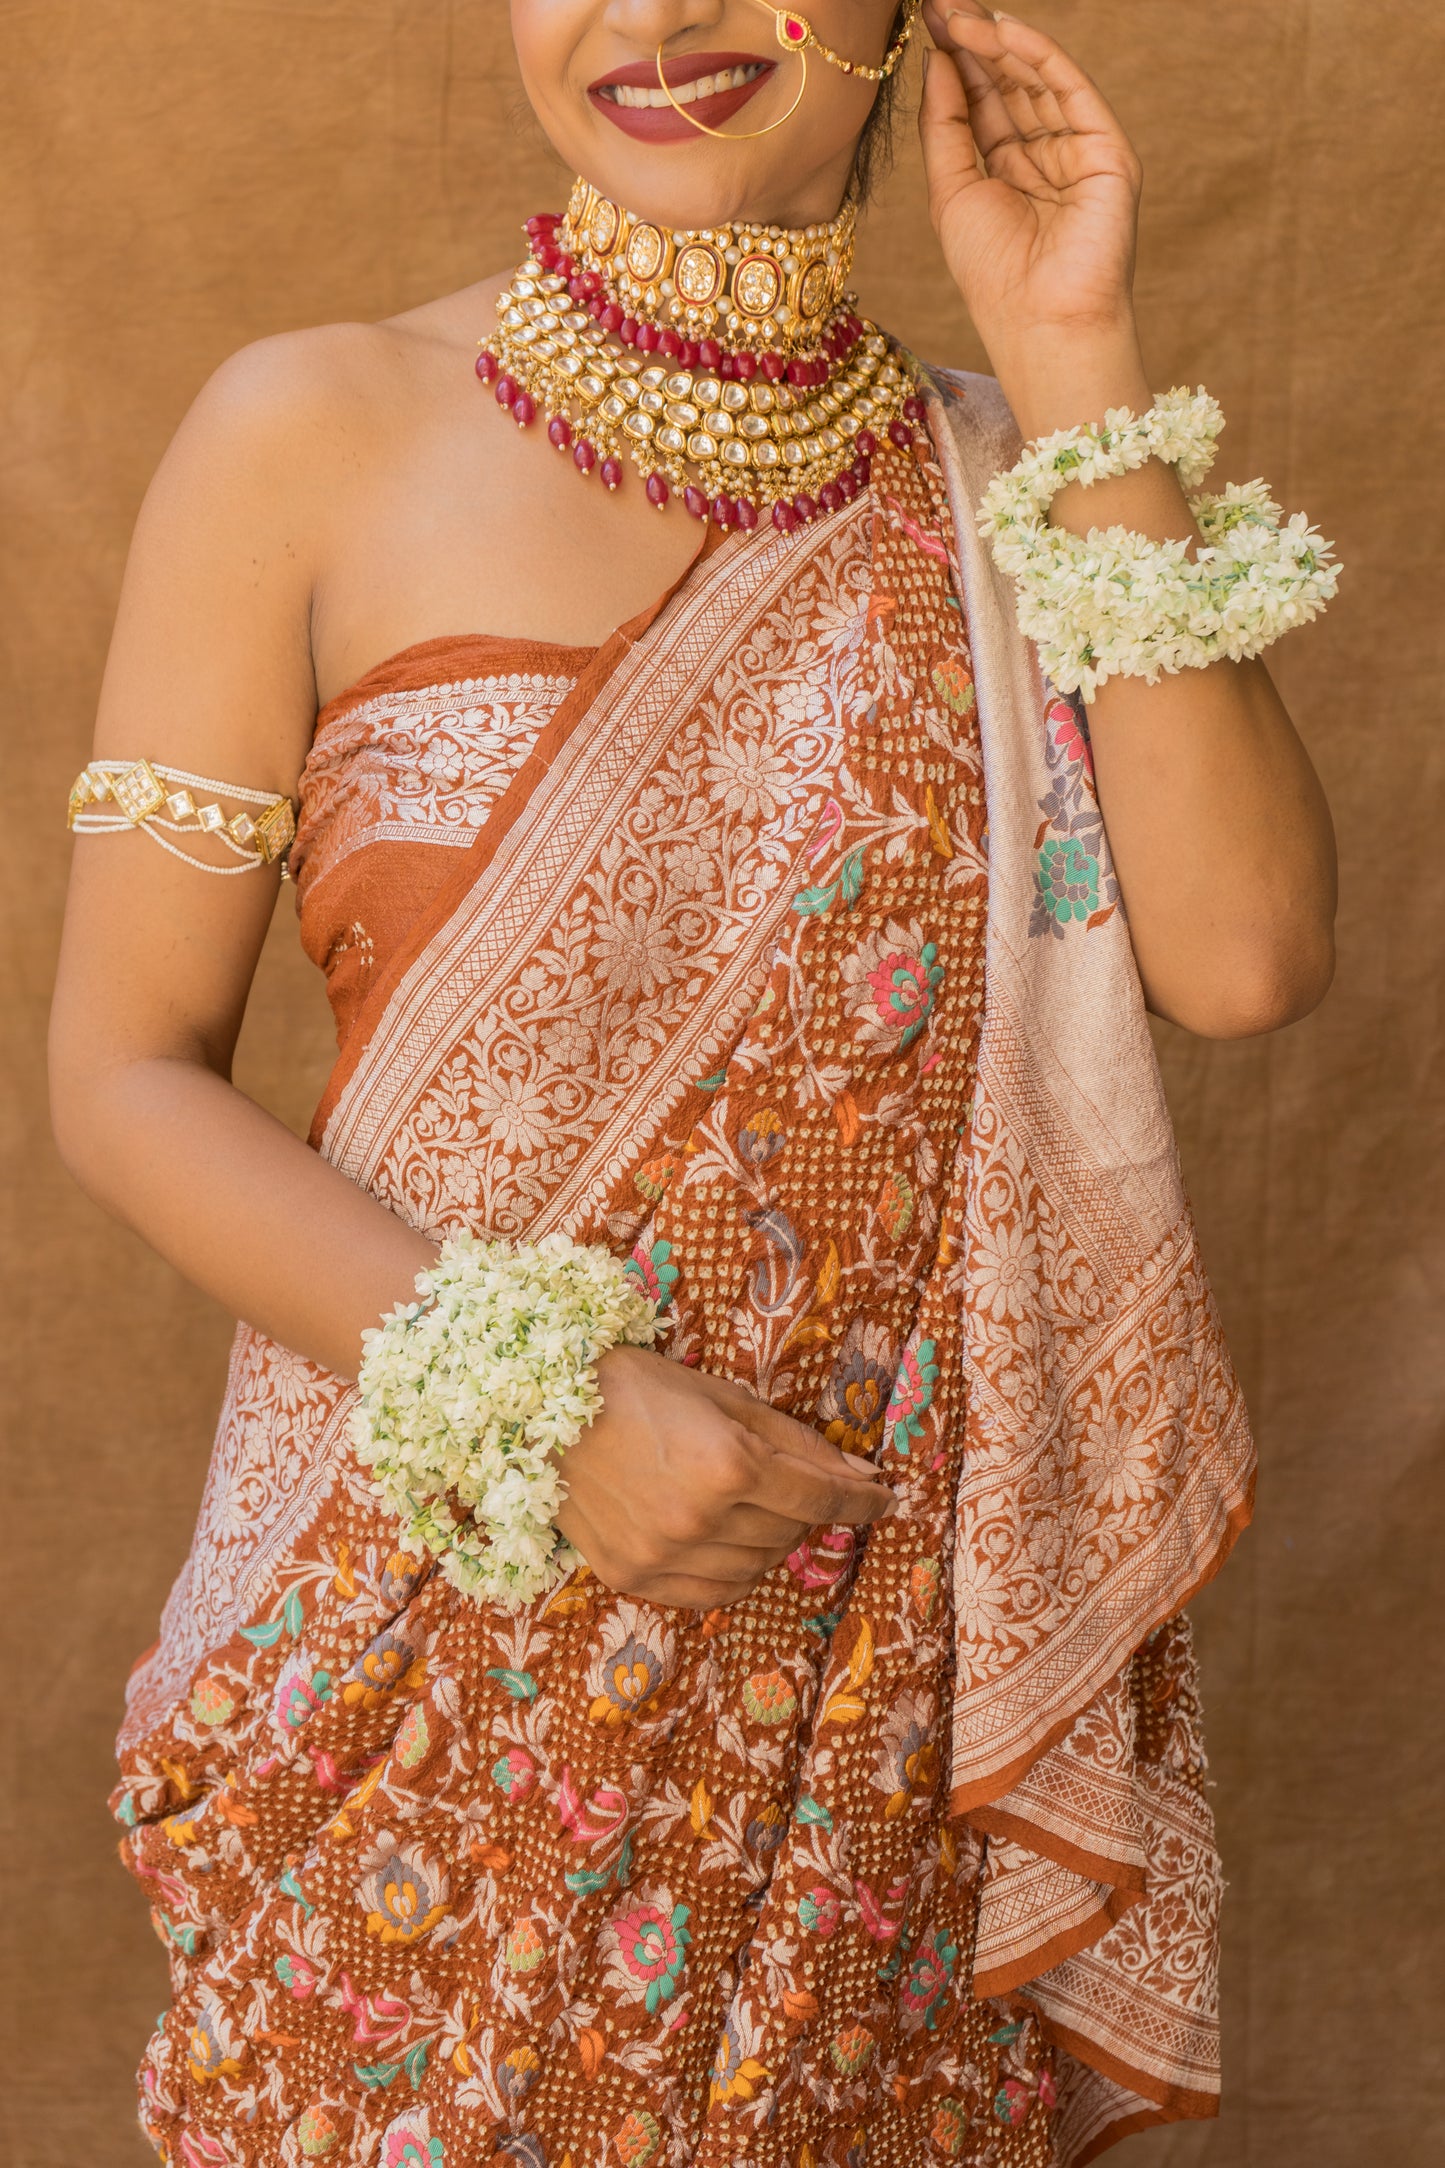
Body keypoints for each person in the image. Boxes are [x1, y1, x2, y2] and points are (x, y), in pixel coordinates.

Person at [48, 3, 1339, 2163]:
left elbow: (1249, 953)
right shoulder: (311, 432)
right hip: (423, 1673)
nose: (654, 16)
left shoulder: (1011, 480)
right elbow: (120, 1071)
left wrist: (1082, 356)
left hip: (872, 1729)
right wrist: (552, 1409)